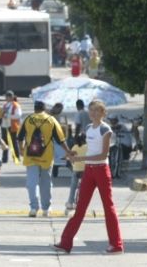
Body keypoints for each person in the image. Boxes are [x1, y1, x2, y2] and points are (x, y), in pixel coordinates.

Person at [53, 100, 124, 254]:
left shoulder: (106, 129)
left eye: (97, 110)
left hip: (101, 170)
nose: (93, 113)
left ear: (103, 113)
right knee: (80, 207)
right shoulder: (88, 128)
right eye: (91, 110)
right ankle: (66, 243)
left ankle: (116, 244)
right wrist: (74, 153)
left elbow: (103, 155)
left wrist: (80, 159)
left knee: (108, 207)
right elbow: (90, 150)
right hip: (89, 170)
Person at [17, 101, 73, 217]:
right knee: (46, 182)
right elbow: (60, 139)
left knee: (32, 183)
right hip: (46, 157)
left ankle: (33, 208)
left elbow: (20, 137)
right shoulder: (51, 120)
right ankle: (46, 209)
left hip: (31, 155)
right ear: (44, 109)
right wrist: (68, 151)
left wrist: (21, 149)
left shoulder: (28, 119)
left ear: (35, 109)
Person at [65, 133, 88, 213]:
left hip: (76, 170)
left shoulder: (74, 147)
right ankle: (81, 204)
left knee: (73, 186)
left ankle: (70, 203)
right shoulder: (88, 147)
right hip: (86, 170)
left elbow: (69, 157)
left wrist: (72, 162)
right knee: (84, 188)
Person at [0, 91, 22, 163]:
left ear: (11, 97)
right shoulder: (5, 105)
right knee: (4, 142)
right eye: (6, 96)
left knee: (14, 142)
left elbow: (18, 115)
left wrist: (8, 116)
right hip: (4, 125)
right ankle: (4, 158)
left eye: (8, 96)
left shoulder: (16, 105)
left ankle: (16, 157)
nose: (6, 98)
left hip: (12, 126)